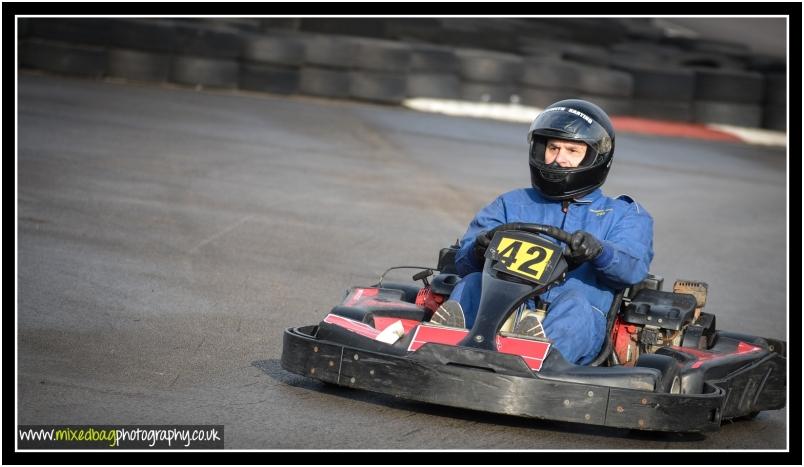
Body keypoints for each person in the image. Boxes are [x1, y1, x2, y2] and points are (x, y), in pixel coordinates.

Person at [430, 99, 654, 365]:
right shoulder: (511, 203)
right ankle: (444, 344)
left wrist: (600, 252)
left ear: (595, 157)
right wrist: (478, 250)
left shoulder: (623, 213)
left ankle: (536, 356)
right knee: (471, 283)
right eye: (553, 148)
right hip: (500, 305)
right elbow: (464, 263)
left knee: (575, 304)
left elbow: (632, 268)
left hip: (577, 320)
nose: (559, 159)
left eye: (572, 150)